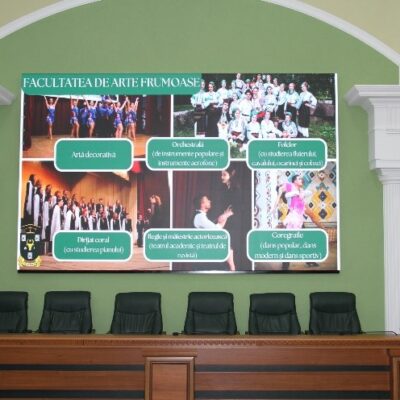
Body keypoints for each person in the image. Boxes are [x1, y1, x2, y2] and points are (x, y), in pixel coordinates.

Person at [193, 194, 235, 271]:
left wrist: (224, 216)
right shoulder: (200, 217)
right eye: (207, 200)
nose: (210, 201)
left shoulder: (201, 216)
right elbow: (216, 230)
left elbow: (217, 228)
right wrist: (226, 215)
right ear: (202, 204)